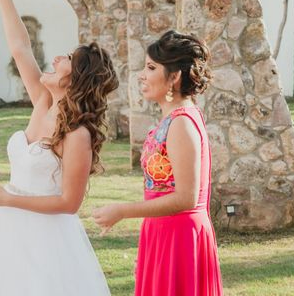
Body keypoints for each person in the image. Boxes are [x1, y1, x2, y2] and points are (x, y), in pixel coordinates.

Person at [0, 0, 119, 296]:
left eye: (67, 59)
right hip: (7, 229)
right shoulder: (42, 103)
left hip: (47, 239)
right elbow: (20, 46)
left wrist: (8, 199)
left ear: (76, 80)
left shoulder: (77, 134)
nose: (57, 59)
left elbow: (68, 203)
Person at [92, 30, 223, 296]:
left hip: (180, 238)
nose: (142, 75)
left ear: (174, 77)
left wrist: (123, 210)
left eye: (151, 67)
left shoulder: (182, 123)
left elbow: (187, 198)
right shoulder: (173, 119)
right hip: (163, 232)